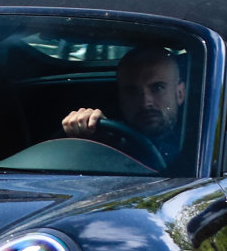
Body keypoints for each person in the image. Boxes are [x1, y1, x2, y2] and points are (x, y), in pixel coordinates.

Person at [60, 43, 191, 170]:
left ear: (180, 93)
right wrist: (85, 129)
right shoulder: (108, 139)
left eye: (157, 88)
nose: (146, 102)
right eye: (132, 92)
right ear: (121, 98)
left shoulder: (202, 141)